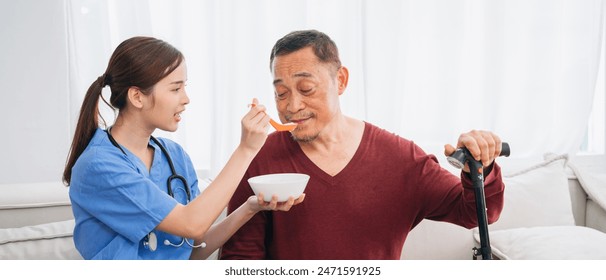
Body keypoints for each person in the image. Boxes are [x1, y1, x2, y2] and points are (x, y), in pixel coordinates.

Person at [220, 30, 505, 260]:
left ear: (340, 80)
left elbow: (477, 212)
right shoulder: (260, 156)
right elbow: (239, 258)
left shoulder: (400, 158)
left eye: (306, 89)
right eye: (281, 94)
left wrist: (481, 167)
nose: (292, 106)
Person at [62, 36, 304, 260]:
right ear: (137, 97)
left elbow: (194, 248)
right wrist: (246, 150)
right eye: (176, 88)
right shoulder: (99, 165)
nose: (186, 98)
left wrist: (250, 207)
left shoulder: (173, 156)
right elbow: (192, 224)